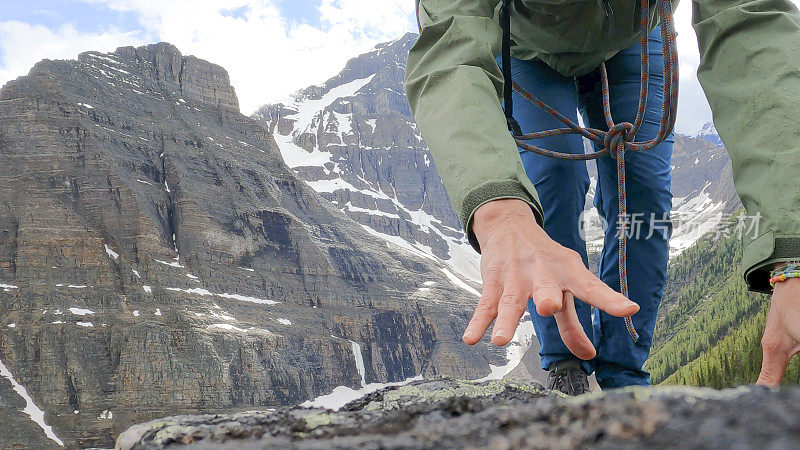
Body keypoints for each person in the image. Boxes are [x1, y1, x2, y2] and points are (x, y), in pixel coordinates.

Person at [405, 0, 800, 394]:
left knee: (643, 193)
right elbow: (449, 45)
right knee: (552, 180)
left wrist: (794, 251)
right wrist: (496, 209)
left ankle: (624, 375)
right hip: (522, 46)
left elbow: (752, 21)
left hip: (638, 32)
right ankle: (565, 360)